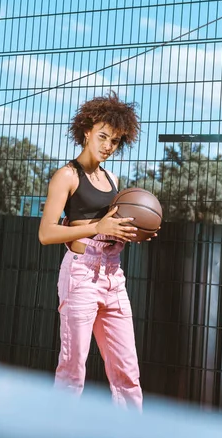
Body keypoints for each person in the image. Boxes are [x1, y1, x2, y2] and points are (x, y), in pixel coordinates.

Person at [39, 92, 150, 411]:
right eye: (102, 136)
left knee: (128, 373)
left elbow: (112, 226)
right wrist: (97, 227)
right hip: (81, 276)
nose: (107, 146)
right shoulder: (67, 175)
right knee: (72, 372)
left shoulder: (113, 179)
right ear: (86, 131)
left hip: (114, 278)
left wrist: (134, 231)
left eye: (114, 141)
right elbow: (47, 233)